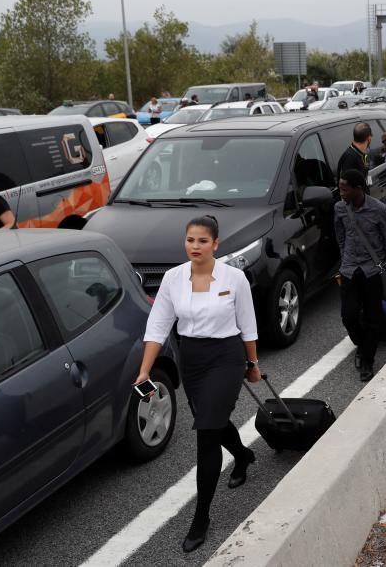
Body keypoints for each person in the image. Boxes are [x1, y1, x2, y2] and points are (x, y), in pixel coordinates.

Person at [135, 215, 260, 552]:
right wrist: (145, 371)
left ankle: (201, 516)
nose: (195, 246)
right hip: (191, 359)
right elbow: (158, 327)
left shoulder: (234, 278)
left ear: (216, 244)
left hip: (226, 356)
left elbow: (248, 325)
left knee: (206, 431)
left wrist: (253, 365)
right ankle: (244, 455)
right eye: (190, 240)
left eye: (202, 241)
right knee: (212, 423)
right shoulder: (173, 279)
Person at [334, 169, 386, 380]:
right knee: (348, 316)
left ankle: (367, 360)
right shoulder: (339, 209)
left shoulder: (378, 210)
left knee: (372, 317)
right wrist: (345, 260)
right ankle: (363, 344)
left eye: (344, 189)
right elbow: (340, 237)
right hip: (349, 270)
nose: (341, 193)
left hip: (372, 271)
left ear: (358, 189)